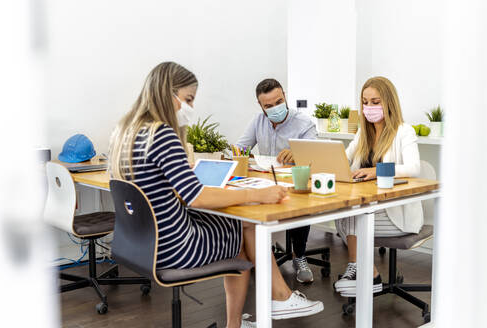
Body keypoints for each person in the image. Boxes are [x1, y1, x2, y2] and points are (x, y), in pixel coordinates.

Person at [109, 62, 323, 328]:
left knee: (241, 224)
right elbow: (195, 197)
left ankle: (257, 311)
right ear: (167, 94)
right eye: (187, 99)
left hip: (141, 243)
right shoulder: (162, 135)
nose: (190, 107)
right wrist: (255, 195)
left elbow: (169, 189)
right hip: (175, 248)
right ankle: (277, 299)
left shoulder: (125, 133)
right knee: (247, 227)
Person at [333, 76, 423, 297]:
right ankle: (361, 269)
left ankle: (368, 275)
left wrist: (375, 170)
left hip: (396, 213)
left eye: (375, 102)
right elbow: (342, 159)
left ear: (389, 102)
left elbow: (414, 168)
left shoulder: (404, 131)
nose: (369, 107)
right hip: (371, 206)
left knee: (354, 216)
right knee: (342, 212)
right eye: (365, 102)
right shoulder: (363, 133)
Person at [236, 78, 317, 284]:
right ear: (261, 106)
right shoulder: (258, 121)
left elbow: (316, 157)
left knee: (301, 204)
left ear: (285, 96)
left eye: (278, 102)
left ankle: (299, 257)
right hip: (266, 182)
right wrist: (241, 156)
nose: (275, 108)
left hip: (294, 182)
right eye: (269, 106)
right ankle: (259, 255)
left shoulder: (304, 123)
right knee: (243, 204)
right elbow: (240, 148)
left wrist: (297, 153)